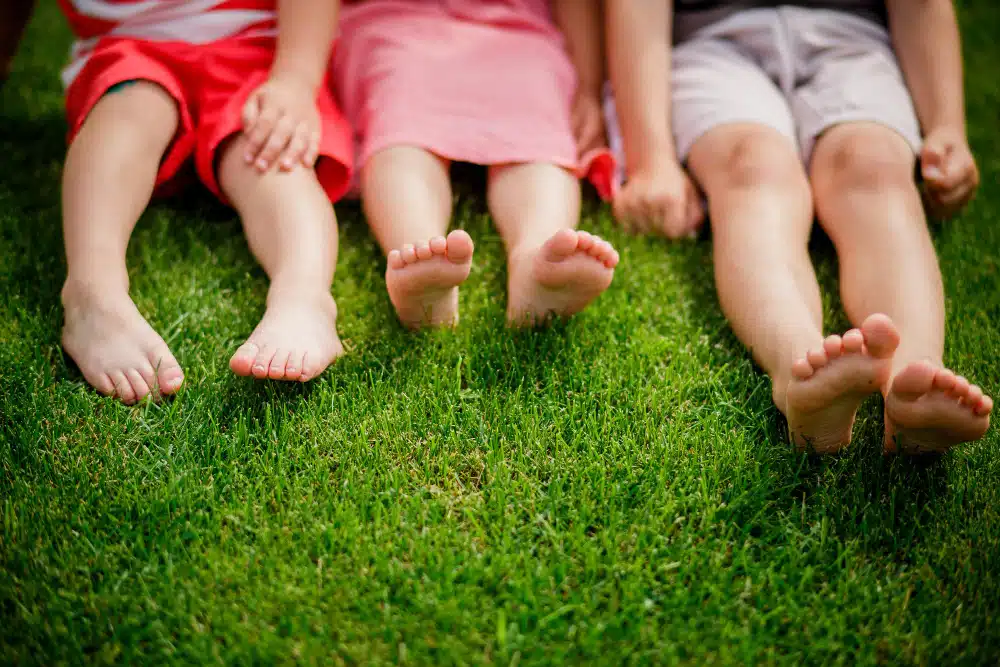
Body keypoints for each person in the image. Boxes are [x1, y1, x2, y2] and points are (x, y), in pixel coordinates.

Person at [605, 0, 992, 454]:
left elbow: (921, 5)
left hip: (851, 41)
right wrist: (652, 161)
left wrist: (947, 127)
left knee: (872, 166)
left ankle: (917, 375)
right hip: (711, 44)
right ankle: (798, 367)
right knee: (752, 167)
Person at [36, 0, 354, 404]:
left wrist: (294, 80)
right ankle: (92, 293)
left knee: (272, 157)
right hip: (129, 51)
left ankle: (304, 295)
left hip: (251, 47)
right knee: (125, 120)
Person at [332, 0, 620, 329]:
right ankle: (417, 250)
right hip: (394, 20)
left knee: (536, 113)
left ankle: (537, 257)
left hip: (515, 30)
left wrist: (586, 86)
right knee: (400, 121)